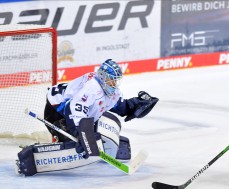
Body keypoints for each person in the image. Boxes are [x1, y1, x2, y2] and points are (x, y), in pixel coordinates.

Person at [16, 59, 159, 176]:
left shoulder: (111, 90)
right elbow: (73, 111)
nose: (114, 84)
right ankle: (33, 156)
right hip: (57, 110)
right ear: (103, 77)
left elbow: (119, 106)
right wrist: (81, 135)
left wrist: (136, 105)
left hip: (79, 111)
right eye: (112, 81)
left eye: (116, 81)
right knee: (74, 140)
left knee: (90, 135)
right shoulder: (91, 89)